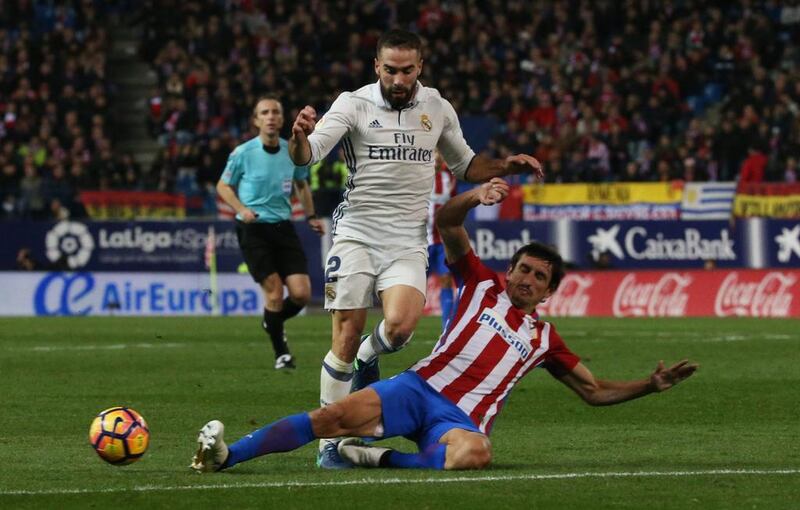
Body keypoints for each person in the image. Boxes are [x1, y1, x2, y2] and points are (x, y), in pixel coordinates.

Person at [190, 178, 698, 473]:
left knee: (476, 454)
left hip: (458, 423)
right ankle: (227, 455)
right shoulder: (479, 282)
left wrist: (648, 387)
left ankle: (372, 460)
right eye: (522, 268)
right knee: (329, 418)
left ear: (548, 292)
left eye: (538, 277)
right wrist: (474, 195)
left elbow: (594, 390)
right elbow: (448, 225)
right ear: (511, 269)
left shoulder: (543, 339)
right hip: (417, 387)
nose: (526, 279)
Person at [288, 28, 544, 467]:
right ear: (377, 67)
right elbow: (307, 156)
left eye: (407, 70)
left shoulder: (437, 107)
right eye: (390, 70)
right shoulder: (353, 104)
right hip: (356, 234)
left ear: (420, 67)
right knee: (345, 334)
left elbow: (466, 164)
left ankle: (372, 354)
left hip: (407, 238)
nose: (399, 79)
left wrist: (503, 165)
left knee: (402, 328)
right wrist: (299, 136)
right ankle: (329, 446)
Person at [217, 96, 325, 370]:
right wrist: (241, 209)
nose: (271, 116)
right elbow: (223, 186)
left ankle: (271, 320)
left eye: (275, 111)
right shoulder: (243, 153)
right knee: (275, 292)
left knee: (301, 294)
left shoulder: (292, 152)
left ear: (281, 118)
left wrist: (311, 215)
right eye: (264, 112)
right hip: (254, 229)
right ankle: (282, 354)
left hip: (283, 227)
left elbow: (302, 185)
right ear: (256, 120)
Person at [426, 151, 457, 331]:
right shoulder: (419, 174)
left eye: (440, 153)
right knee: (416, 283)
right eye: (434, 152)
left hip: (441, 240)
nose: (438, 157)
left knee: (446, 279)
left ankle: (448, 327)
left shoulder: (449, 178)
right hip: (421, 240)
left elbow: (453, 205)